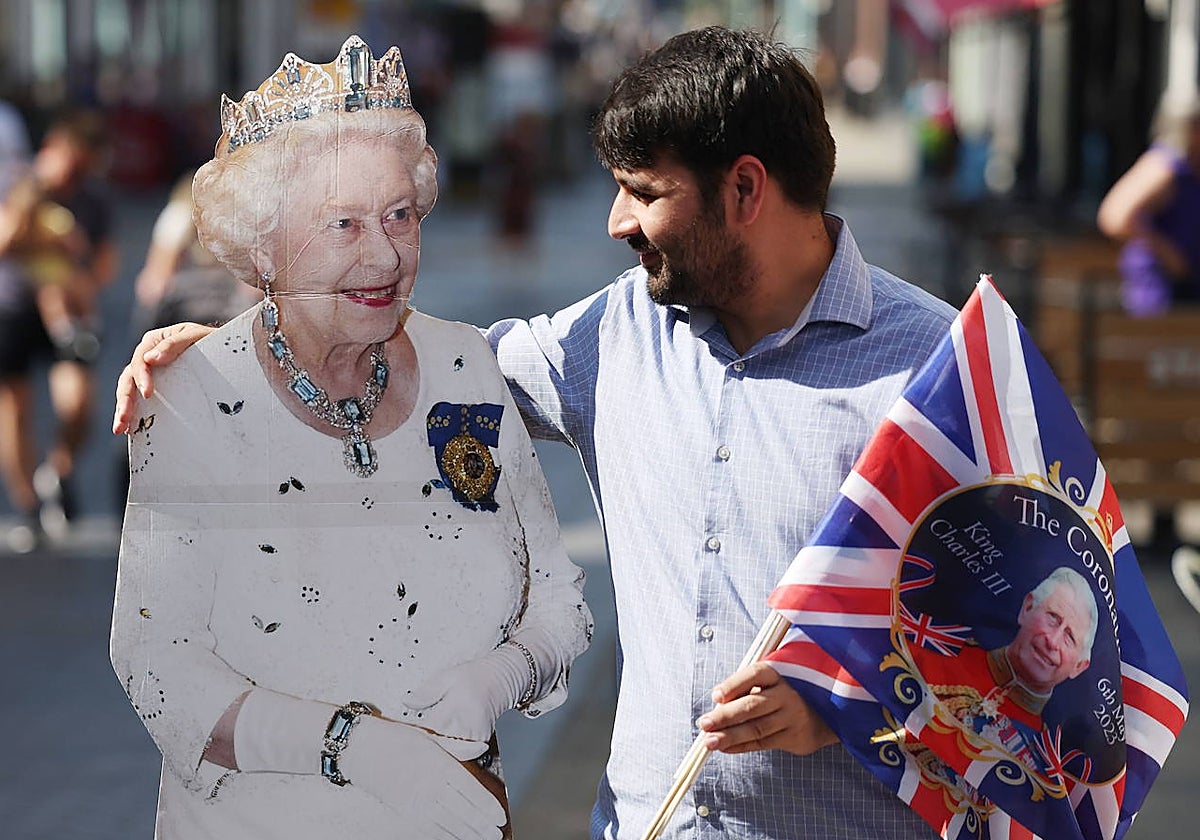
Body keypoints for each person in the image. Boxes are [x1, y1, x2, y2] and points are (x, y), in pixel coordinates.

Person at [115, 27, 960, 839]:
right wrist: (254, 352)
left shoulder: (942, 373)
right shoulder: (619, 332)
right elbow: (439, 374)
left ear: (744, 190)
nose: (616, 222)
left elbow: (1031, 651)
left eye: (646, 191)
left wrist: (847, 706)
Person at [109, 36, 591, 840]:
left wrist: (501, 675)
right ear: (262, 245)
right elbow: (158, 668)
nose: (386, 253)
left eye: (400, 215)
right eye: (343, 224)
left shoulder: (465, 366)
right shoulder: (191, 395)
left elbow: (562, 601)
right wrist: (356, 748)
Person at [0, 109, 116, 546]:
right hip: (13, 305)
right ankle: (28, 505)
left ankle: (59, 469)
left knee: (78, 405)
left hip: (70, 310)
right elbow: (5, 242)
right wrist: (32, 196)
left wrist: (76, 270)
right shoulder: (20, 182)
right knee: (14, 407)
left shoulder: (93, 199)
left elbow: (105, 265)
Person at [910, 566, 1098, 778]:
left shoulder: (1044, 763)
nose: (1052, 642)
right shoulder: (936, 651)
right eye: (1052, 617)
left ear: (1079, 667)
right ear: (1027, 608)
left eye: (1069, 637)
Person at [1097, 94, 1200, 317]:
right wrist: (1166, 251)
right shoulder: (1165, 167)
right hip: (1160, 292)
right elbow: (1115, 217)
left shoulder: (1192, 167)